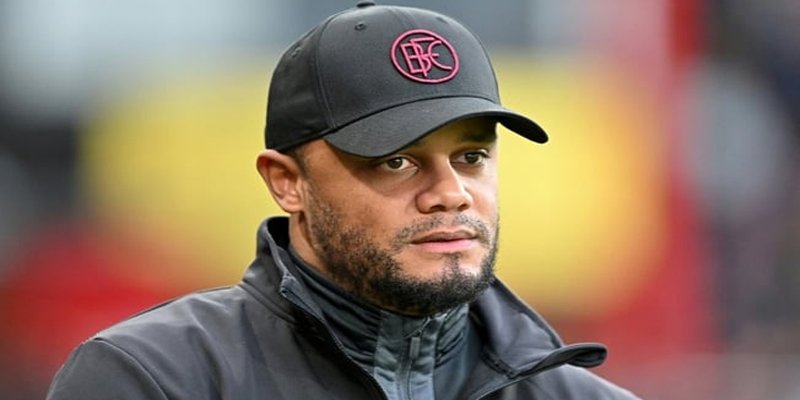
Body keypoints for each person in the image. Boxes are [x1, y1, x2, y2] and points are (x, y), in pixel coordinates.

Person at [47, 2, 639, 399]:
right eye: (396, 160)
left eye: (471, 156)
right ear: (287, 182)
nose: (451, 193)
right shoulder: (152, 379)